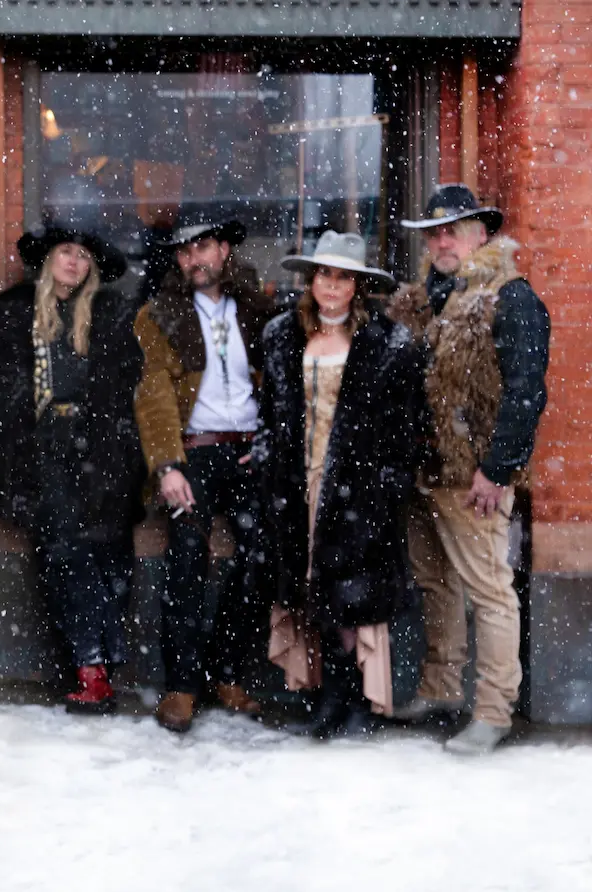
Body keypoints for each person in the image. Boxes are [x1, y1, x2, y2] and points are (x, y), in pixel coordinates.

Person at [389, 185, 549, 755]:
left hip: (475, 476)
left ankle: (493, 710)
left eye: (451, 230)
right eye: (432, 233)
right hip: (425, 471)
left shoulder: (511, 297)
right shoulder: (430, 298)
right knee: (437, 583)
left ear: (482, 232)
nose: (440, 241)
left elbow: (526, 394)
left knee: (490, 593)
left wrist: (497, 469)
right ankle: (440, 688)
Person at [256, 231, 424, 740]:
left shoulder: (387, 343)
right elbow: (271, 412)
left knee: (351, 593)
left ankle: (350, 696)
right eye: (324, 274)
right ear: (312, 280)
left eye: (343, 276)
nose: (332, 285)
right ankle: (327, 692)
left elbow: (405, 424)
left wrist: (389, 481)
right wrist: (268, 455)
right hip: (298, 483)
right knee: (311, 587)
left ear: (358, 286)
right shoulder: (282, 335)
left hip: (358, 487)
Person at [0, 226, 144, 715]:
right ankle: (93, 664)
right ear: (48, 259)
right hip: (39, 451)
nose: (73, 262)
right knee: (64, 550)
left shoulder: (108, 317)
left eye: (83, 255)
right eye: (65, 252)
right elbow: (1, 388)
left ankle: (99, 665)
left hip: (97, 451)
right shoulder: (13, 313)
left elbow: (121, 386)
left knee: (95, 548)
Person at [133, 217, 277, 733]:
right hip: (194, 453)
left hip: (249, 451)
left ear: (223, 251)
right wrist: (168, 465)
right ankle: (183, 684)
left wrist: (269, 444)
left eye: (204, 248)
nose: (195, 259)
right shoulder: (161, 315)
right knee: (186, 561)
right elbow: (153, 392)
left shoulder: (259, 310)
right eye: (185, 251)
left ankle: (230, 672)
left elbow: (278, 385)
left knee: (259, 558)